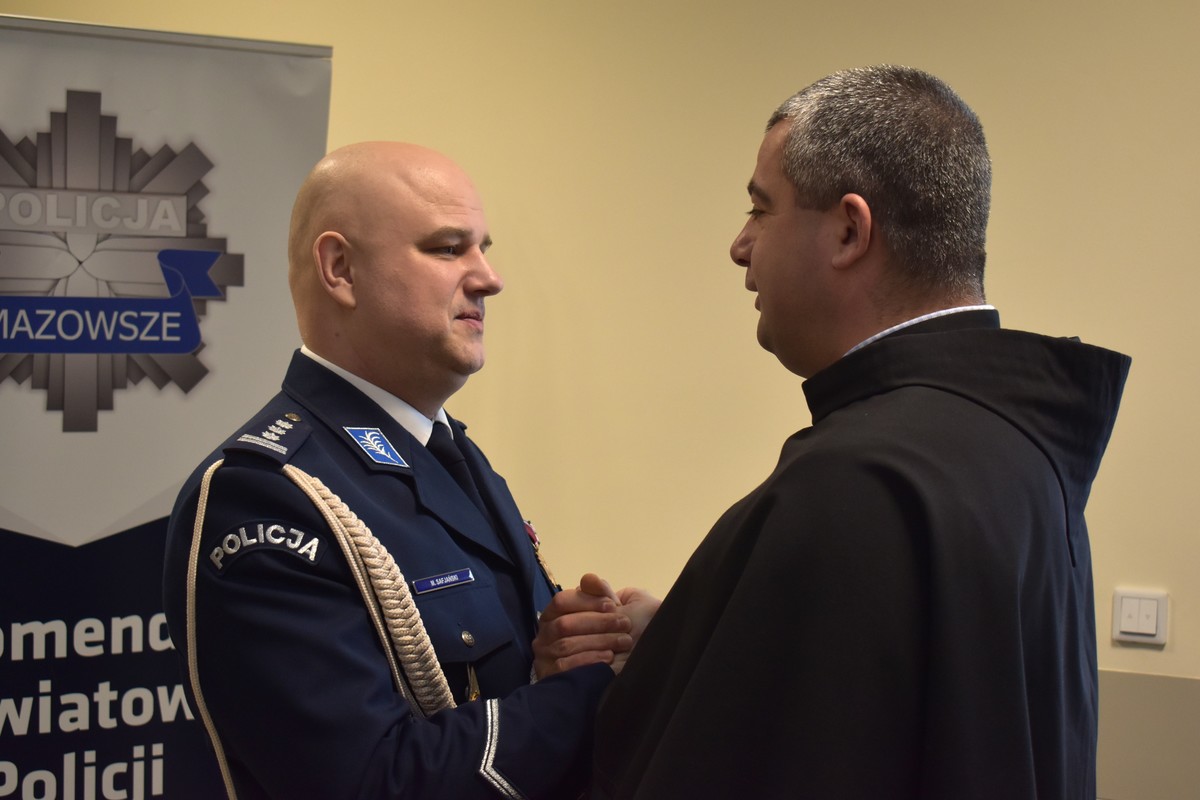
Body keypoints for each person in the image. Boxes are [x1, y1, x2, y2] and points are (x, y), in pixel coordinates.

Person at [589, 65, 1130, 800]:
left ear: (849, 230)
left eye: (760, 209)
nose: (740, 246)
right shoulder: (1011, 443)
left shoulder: (857, 481)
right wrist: (691, 634)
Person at [163, 141, 637, 800]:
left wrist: (556, 662)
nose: (488, 278)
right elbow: (371, 781)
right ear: (340, 269)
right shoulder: (263, 495)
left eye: (483, 248)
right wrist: (604, 687)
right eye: (448, 249)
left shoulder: (447, 450)